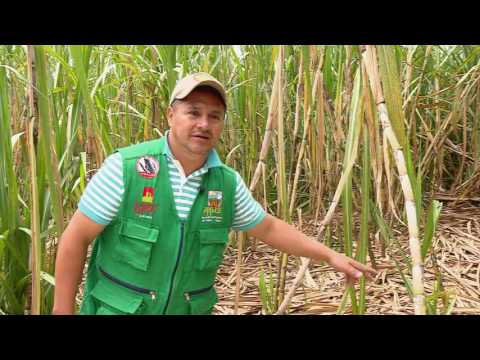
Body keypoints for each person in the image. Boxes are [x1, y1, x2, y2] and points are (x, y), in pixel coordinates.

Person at [53, 72, 376, 315]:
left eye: (214, 116)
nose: (204, 124)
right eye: (193, 112)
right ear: (170, 115)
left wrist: (330, 255)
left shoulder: (225, 184)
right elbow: (75, 238)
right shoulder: (126, 169)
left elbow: (268, 228)